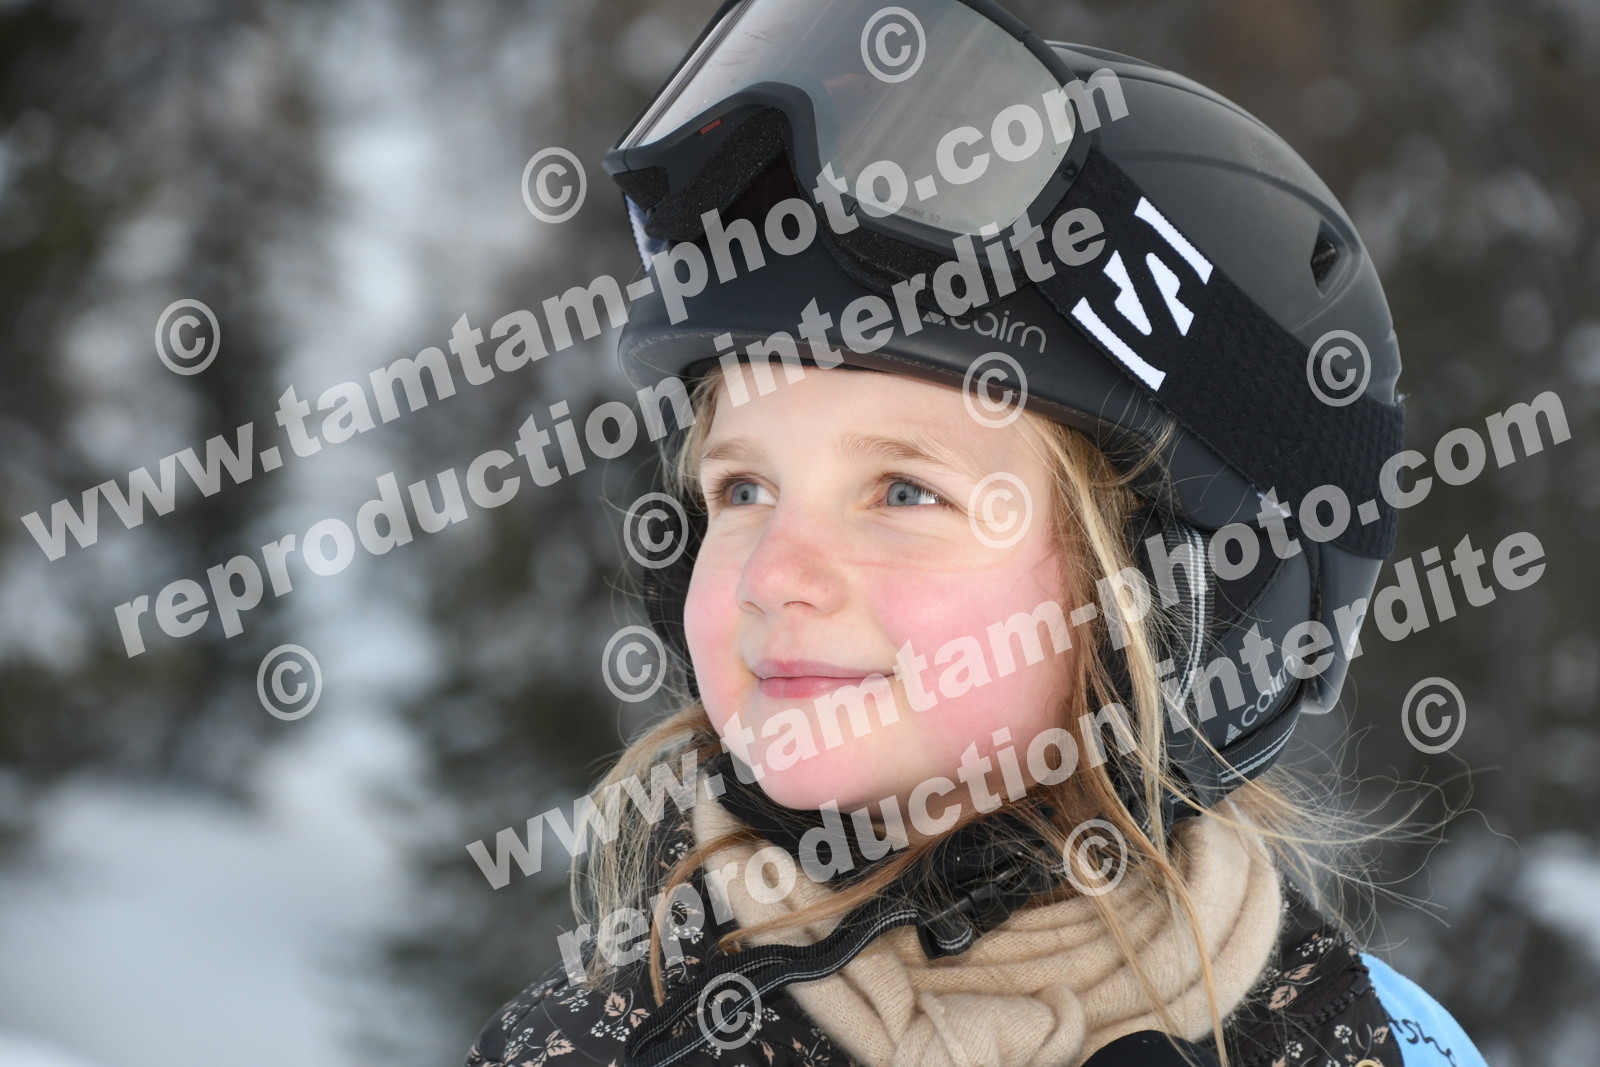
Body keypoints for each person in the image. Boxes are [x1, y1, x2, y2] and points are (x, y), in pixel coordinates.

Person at [466, 1, 1491, 1064]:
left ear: (1189, 594)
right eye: (741, 489)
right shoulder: (587, 1044)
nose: (773, 573)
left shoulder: (1377, 1042)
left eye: (904, 492)